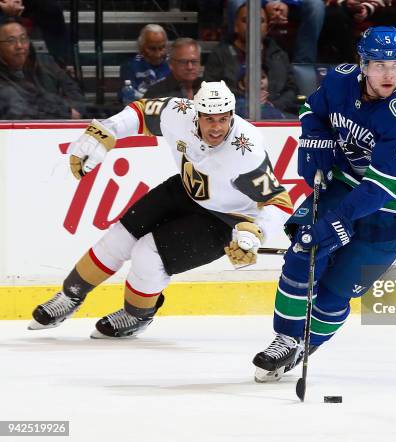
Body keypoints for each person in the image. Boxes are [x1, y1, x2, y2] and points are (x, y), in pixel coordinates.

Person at [28, 81, 293, 338]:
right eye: (209, 119)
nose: (216, 128)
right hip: (187, 190)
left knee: (147, 254)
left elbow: (280, 200)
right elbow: (141, 111)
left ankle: (137, 315)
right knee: (118, 239)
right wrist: (105, 131)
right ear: (196, 115)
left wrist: (256, 233)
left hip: (225, 220)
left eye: (223, 119)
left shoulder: (246, 151)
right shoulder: (179, 113)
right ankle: (69, 295)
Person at [251, 26, 396, 381]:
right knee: (304, 250)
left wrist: (337, 220)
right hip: (348, 182)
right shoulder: (339, 80)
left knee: (337, 290)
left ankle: (307, 345)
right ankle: (285, 338)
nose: (389, 73)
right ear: (363, 65)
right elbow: (312, 111)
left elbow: (383, 187)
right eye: (380, 65)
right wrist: (315, 142)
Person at [204, 2, 299, 115]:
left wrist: (274, 105)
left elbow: (292, 89)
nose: (253, 24)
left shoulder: (279, 54)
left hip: (277, 116)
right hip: (235, 115)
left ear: (267, 27)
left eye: (261, 21)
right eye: (245, 20)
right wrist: (247, 100)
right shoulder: (220, 54)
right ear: (235, 26)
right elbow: (210, 87)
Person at [0, 17, 84, 119]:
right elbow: (19, 110)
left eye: (23, 39)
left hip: (61, 127)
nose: (19, 45)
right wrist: (64, 112)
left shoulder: (46, 62)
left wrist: (75, 110)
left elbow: (73, 91)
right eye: (11, 41)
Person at [119, 24, 170, 102]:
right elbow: (127, 98)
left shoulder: (173, 64)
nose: (158, 54)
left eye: (161, 48)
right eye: (152, 49)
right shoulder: (130, 66)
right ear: (141, 47)